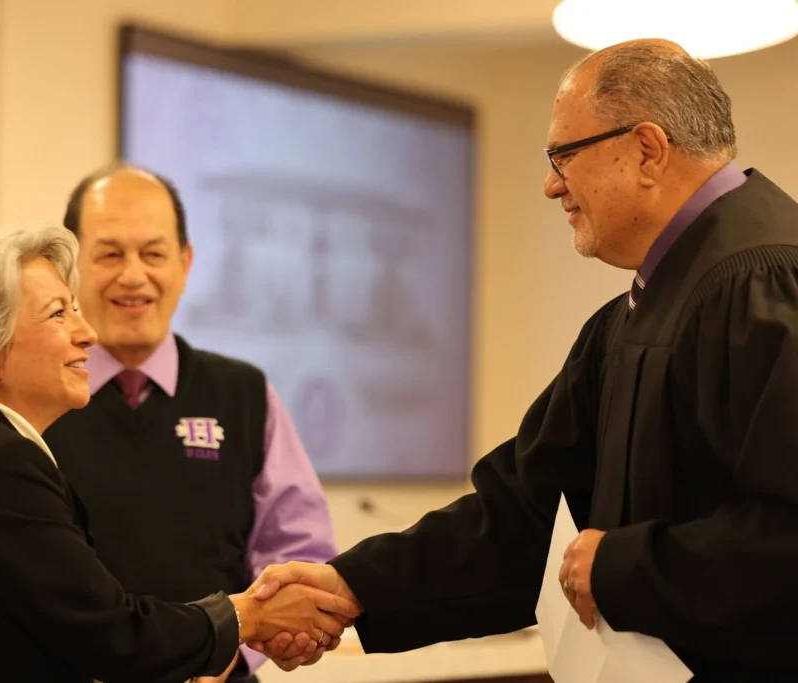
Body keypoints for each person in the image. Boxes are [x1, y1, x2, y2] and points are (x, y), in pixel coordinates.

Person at [250, 39, 798, 682]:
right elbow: (522, 516)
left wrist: (623, 569)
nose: (550, 185)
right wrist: (351, 585)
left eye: (564, 155)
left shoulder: (762, 281)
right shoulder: (638, 314)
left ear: (647, 150)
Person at [0, 224, 358, 683]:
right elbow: (116, 636)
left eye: (74, 307)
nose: (87, 332)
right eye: (59, 313)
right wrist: (250, 615)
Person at [43, 165, 339, 680]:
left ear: (185, 262)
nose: (133, 276)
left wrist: (236, 651)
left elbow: (300, 553)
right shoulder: (35, 400)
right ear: (68, 267)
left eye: (153, 254)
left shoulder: (245, 394)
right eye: (110, 254)